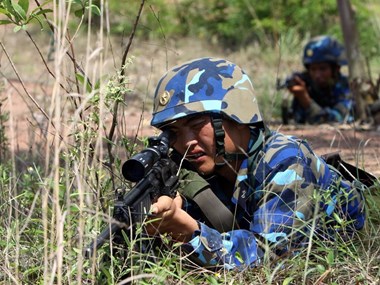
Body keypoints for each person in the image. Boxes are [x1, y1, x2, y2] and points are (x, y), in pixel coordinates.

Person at [145, 57, 365, 269]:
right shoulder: (189, 166)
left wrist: (188, 231)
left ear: (238, 115)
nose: (186, 143)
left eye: (197, 124)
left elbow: (268, 256)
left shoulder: (287, 161)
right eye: (173, 132)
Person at [284, 35, 354, 124]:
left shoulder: (346, 87)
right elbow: (297, 119)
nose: (317, 75)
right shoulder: (308, 84)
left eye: (323, 69)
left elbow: (335, 119)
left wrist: (305, 99)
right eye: (313, 69)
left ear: (336, 69)